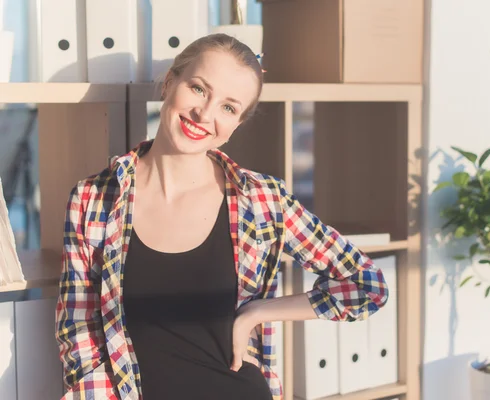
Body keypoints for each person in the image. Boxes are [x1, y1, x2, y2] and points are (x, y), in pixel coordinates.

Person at [55, 33, 389, 400]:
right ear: (170, 82)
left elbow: (366, 286)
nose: (205, 115)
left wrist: (257, 312)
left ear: (235, 126)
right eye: (198, 89)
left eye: (228, 108)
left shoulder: (263, 200)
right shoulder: (94, 199)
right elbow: (78, 331)